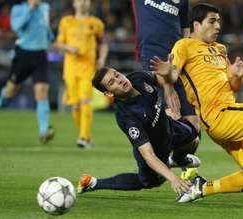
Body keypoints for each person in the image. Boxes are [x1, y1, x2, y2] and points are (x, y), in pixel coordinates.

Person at [151, 3, 243, 207]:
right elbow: (173, 73)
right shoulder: (184, 45)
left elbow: (233, 86)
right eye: (212, 21)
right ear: (196, 24)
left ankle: (201, 188)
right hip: (216, 115)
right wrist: (166, 72)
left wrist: (236, 76)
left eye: (218, 21)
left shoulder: (220, 49)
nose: (218, 26)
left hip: (229, 113)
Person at [77, 67, 201, 195]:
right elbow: (148, 155)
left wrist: (168, 87)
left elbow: (160, 78)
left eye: (117, 75)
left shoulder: (137, 77)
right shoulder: (126, 117)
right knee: (149, 182)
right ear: (109, 93)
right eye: (111, 83)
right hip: (155, 149)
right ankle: (93, 183)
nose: (119, 80)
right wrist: (174, 178)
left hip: (169, 127)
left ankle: (176, 159)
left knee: (194, 136)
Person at [132, 0, 200, 180]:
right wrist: (168, 87)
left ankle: (177, 159)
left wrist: (190, 56)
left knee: (194, 126)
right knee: (172, 117)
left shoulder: (182, 2)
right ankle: (153, 169)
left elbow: (186, 31)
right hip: (152, 58)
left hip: (177, 63)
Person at [54, 0, 108, 148]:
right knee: (75, 106)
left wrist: (101, 59)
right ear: (74, 3)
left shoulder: (95, 23)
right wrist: (68, 48)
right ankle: (86, 136)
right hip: (70, 69)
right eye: (80, 0)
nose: (83, 3)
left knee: (85, 101)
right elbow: (57, 44)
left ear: (89, 4)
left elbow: (103, 43)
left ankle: (83, 137)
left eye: (86, 0)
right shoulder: (66, 21)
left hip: (87, 69)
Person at [0, 0, 55, 144]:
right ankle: (1, 101)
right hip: (24, 54)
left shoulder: (45, 7)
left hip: (41, 55)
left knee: (42, 91)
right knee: (10, 91)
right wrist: (29, 9)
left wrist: (49, 36)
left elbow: (45, 25)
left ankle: (44, 131)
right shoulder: (19, 8)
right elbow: (16, 26)